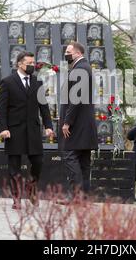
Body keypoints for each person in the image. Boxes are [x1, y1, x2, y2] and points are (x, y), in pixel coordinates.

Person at [0, 51, 54, 209]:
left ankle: (32, 187)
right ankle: (16, 198)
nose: (32, 66)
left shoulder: (37, 82)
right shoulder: (8, 82)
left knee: (38, 162)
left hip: (33, 130)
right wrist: (3, 128)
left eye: (33, 63)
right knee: (14, 166)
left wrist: (48, 126)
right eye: (28, 63)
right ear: (19, 64)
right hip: (14, 131)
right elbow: (1, 108)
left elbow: (44, 107)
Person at [59, 41, 98, 200]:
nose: (66, 54)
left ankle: (75, 196)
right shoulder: (85, 68)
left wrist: (67, 121)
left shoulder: (80, 69)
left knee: (70, 155)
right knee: (83, 160)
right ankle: (83, 197)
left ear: (78, 53)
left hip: (77, 124)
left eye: (68, 51)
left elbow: (76, 98)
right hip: (85, 124)